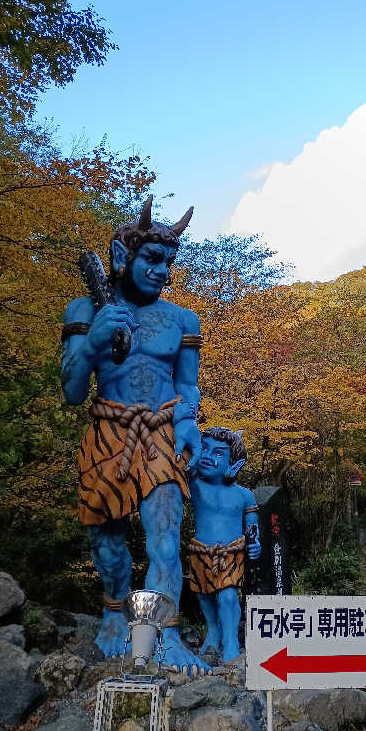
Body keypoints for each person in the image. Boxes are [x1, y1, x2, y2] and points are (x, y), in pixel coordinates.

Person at [61, 195, 208, 673]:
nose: (163, 270)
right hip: (108, 431)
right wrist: (93, 344)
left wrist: (188, 421)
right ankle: (113, 612)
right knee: (106, 543)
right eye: (152, 258)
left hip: (160, 431)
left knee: (165, 537)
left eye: (168, 261)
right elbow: (71, 390)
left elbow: (187, 383)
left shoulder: (182, 320)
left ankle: (163, 633)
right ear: (122, 257)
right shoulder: (86, 308)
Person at [188, 427, 260, 661]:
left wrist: (254, 542)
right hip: (200, 549)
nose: (208, 456)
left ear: (234, 465)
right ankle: (213, 630)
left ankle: (230, 639)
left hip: (231, 552)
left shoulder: (244, 495)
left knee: (228, 595)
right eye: (205, 449)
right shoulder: (195, 486)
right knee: (204, 595)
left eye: (218, 453)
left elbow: (252, 526)